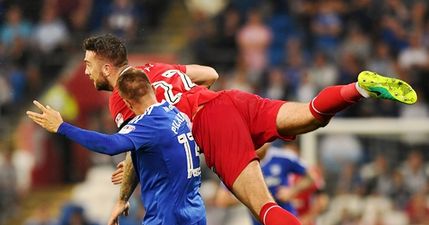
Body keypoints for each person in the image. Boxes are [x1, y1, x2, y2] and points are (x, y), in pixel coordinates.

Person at [83, 34, 417, 225]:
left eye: (89, 64)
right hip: (230, 101)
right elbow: (210, 73)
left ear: (106, 65)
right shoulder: (157, 67)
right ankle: (358, 88)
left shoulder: (121, 98)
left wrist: (122, 197)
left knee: (264, 207)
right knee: (311, 115)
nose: (86, 71)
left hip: (212, 125)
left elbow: (138, 142)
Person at [26, 68, 206, 225]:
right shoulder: (174, 112)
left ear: (127, 103)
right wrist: (136, 165)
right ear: (151, 88)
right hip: (195, 212)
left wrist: (62, 127)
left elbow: (110, 145)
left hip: (167, 217)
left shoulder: (149, 124)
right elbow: (164, 154)